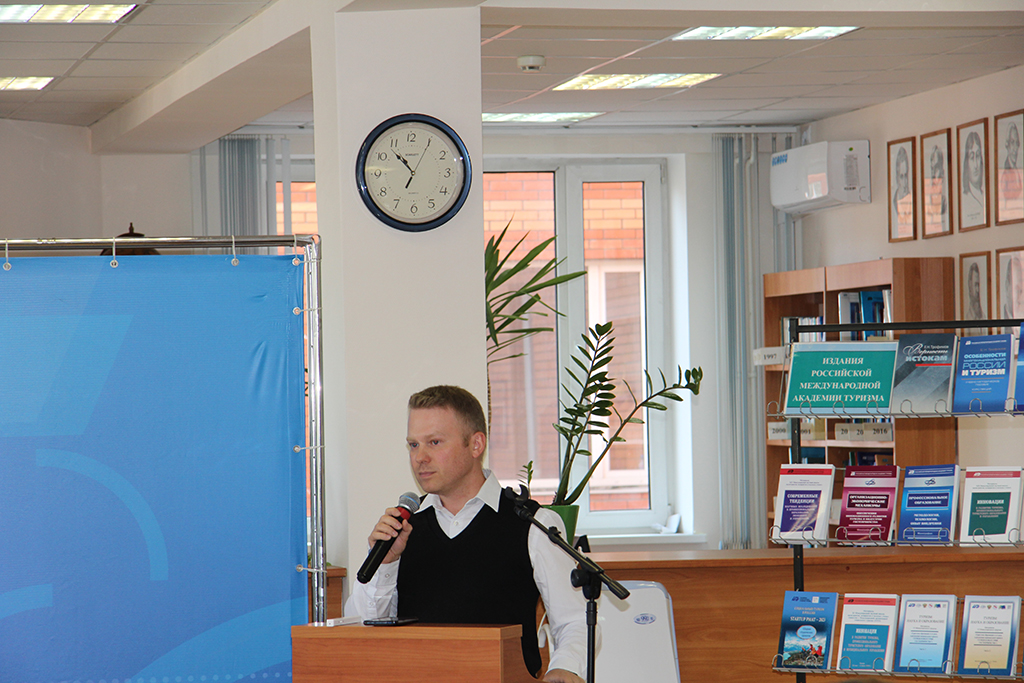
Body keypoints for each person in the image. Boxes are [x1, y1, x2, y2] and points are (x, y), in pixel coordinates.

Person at [345, 385, 589, 683]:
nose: (420, 457)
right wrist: (386, 563)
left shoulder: (531, 524)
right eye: (413, 445)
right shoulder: (402, 529)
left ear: (476, 445)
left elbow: (575, 620)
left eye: (434, 442)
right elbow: (363, 627)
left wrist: (564, 668)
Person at [961, 130, 986, 226]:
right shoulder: (965, 198)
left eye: (978, 156)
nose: (976, 165)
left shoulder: (984, 195)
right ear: (966, 163)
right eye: (972, 157)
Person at [892, 146, 912, 236]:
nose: (905, 182)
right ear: (897, 178)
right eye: (901, 176)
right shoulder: (894, 201)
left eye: (906, 175)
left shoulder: (912, 201)